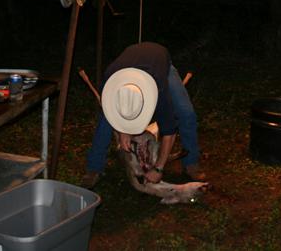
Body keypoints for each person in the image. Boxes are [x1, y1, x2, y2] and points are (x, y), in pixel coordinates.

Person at [80, 41, 206, 188]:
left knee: (186, 113)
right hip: (128, 63)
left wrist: (158, 168)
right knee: (105, 119)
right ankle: (94, 168)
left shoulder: (159, 91)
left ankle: (190, 163)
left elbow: (169, 132)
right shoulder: (109, 83)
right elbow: (115, 110)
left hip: (160, 62)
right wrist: (123, 130)